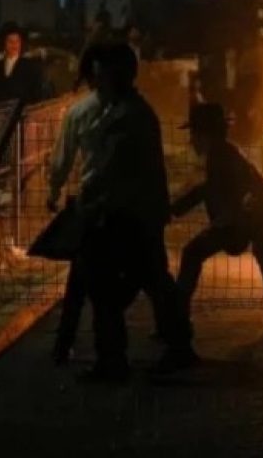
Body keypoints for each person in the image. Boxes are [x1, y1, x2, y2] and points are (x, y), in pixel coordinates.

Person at [78, 43, 196, 381]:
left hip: (131, 216)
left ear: (114, 76)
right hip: (135, 214)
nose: (94, 84)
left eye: (98, 76)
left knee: (114, 288)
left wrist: (91, 200)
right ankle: (174, 348)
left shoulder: (128, 116)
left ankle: (116, 360)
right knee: (151, 283)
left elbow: (110, 170)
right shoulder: (127, 111)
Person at [171, 103, 263, 337]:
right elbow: (209, 189)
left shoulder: (222, 155)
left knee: (257, 249)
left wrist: (225, 223)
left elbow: (241, 193)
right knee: (258, 250)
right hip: (254, 215)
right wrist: (176, 209)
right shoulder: (220, 153)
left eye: (194, 133)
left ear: (206, 134)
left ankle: (176, 323)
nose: (192, 140)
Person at [46, 44, 107, 364]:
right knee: (149, 272)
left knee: (82, 278)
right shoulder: (133, 110)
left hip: (95, 203)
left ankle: (67, 344)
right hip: (124, 204)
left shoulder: (80, 112)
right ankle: (175, 339)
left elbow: (62, 159)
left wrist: (53, 191)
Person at [0, 22, 44, 106]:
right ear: (3, 43)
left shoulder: (30, 67)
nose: (14, 45)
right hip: (0, 114)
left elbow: (36, 96)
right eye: (10, 41)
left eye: (17, 41)